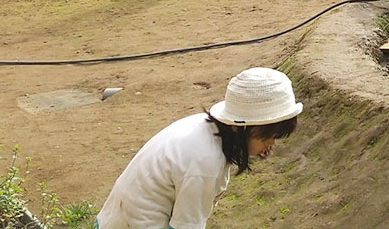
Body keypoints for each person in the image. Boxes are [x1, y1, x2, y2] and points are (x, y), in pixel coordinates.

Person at [96, 67, 302, 229]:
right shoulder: (204, 163)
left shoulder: (204, 127)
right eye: (267, 136)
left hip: (117, 217)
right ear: (240, 127)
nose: (271, 144)